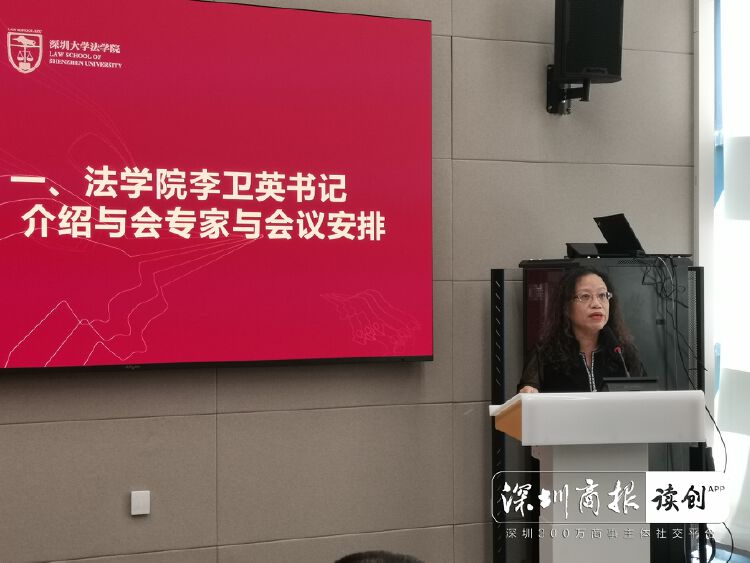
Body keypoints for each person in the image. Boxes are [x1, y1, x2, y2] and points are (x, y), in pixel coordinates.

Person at [517, 266, 642, 393]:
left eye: (602, 295)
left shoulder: (622, 352)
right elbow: (528, 393)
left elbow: (644, 394)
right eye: (585, 296)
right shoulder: (544, 353)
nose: (597, 304)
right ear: (566, 306)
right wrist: (529, 391)